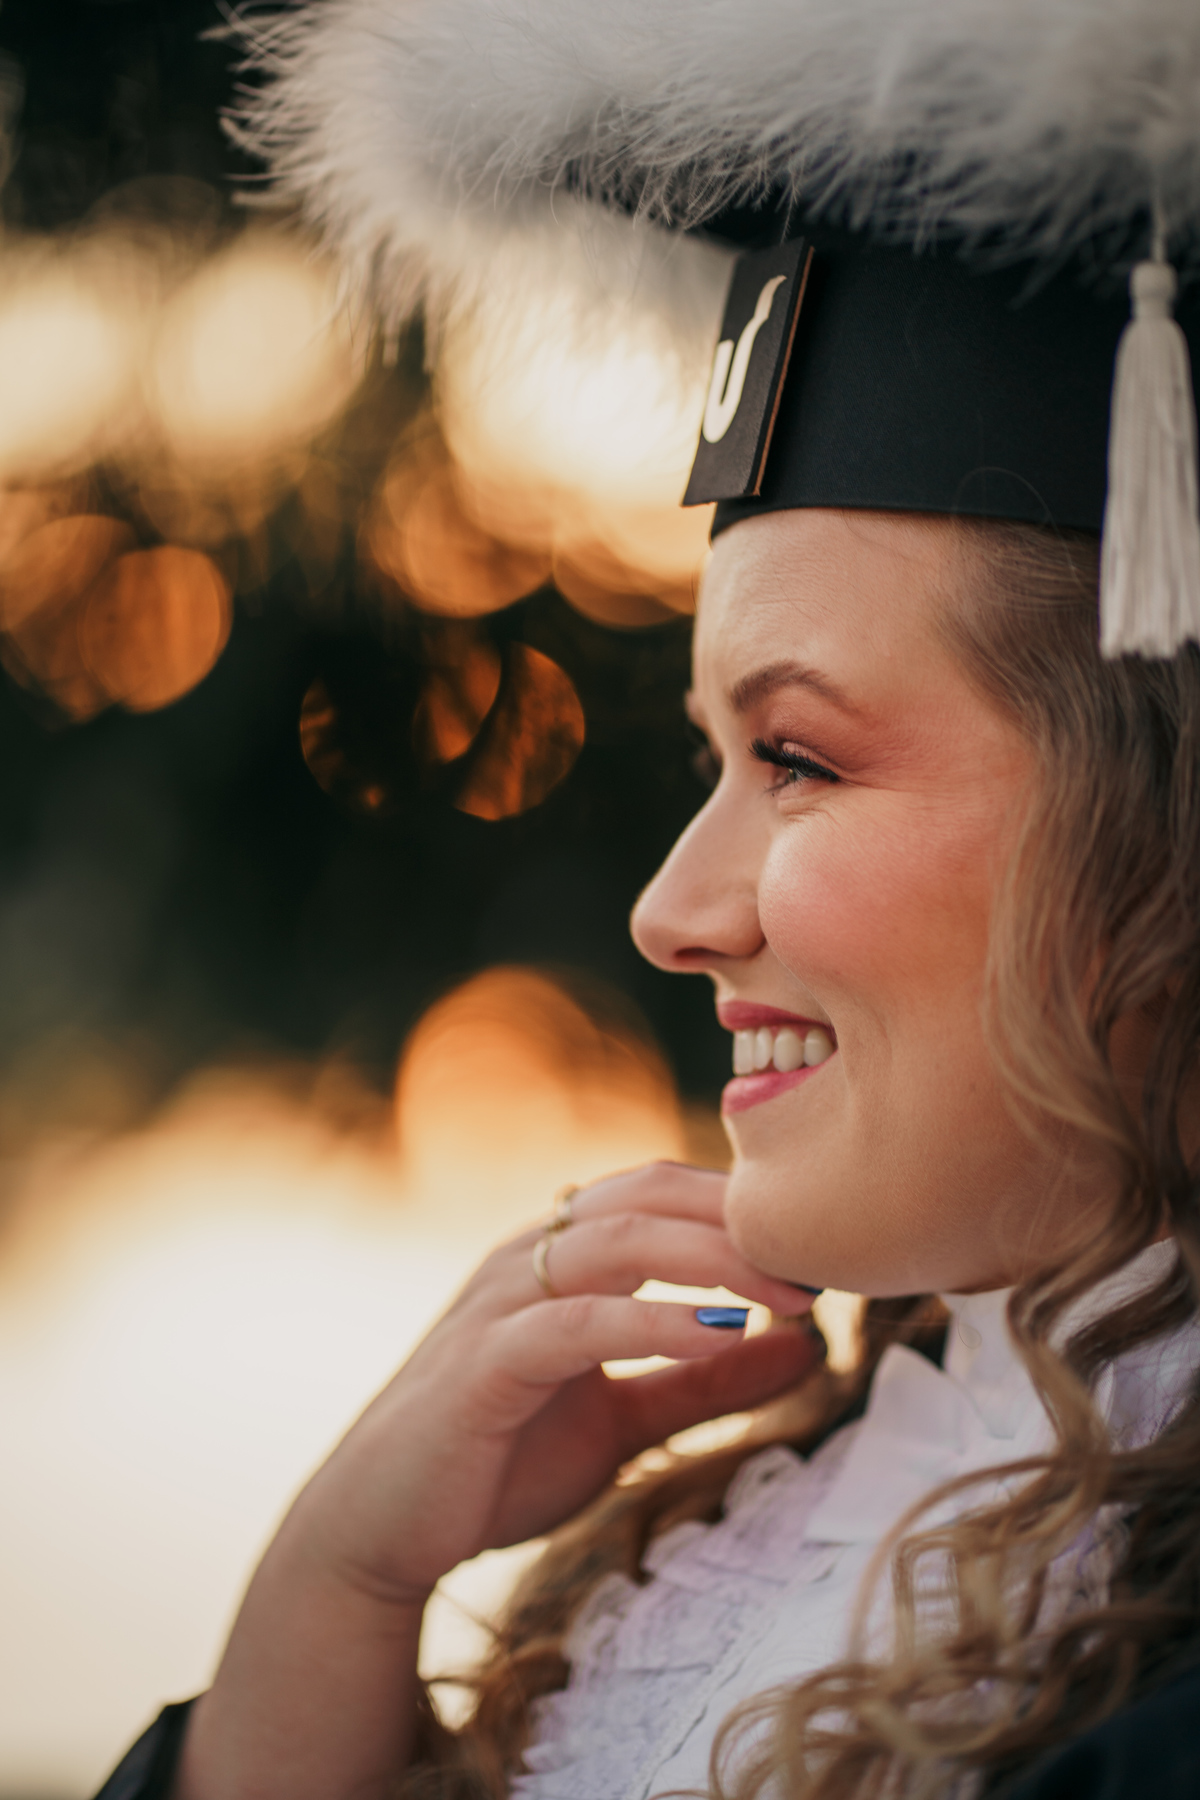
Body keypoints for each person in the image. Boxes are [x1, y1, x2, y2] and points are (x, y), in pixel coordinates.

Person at [94, 1, 1200, 1796]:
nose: (671, 914)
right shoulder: (798, 1510)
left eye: (802, 759)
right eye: (714, 759)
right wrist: (345, 1581)